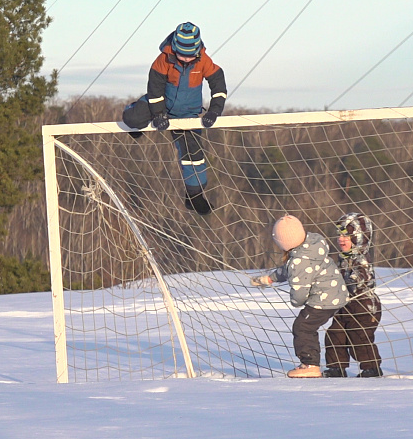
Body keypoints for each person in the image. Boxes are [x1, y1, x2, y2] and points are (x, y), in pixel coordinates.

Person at [121, 22, 227, 215]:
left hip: (188, 114)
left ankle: (194, 197)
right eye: (182, 54)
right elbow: (154, 90)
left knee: (193, 157)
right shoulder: (163, 60)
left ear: (197, 50)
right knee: (133, 119)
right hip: (160, 103)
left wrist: (214, 111)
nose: (186, 58)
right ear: (175, 48)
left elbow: (218, 84)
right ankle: (136, 125)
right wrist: (159, 114)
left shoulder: (204, 60)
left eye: (190, 54)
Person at [251, 215, 349, 378]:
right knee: (309, 326)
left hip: (323, 299)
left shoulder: (299, 261)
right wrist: (269, 279)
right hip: (337, 293)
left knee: (303, 327)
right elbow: (287, 269)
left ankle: (310, 365)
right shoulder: (311, 246)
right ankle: (315, 363)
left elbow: (299, 290)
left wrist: (297, 302)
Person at [324, 212, 383, 378]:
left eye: (347, 236)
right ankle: (336, 367)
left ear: (358, 237)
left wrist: (352, 281)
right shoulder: (343, 258)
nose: (341, 240)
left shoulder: (361, 257)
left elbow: (363, 275)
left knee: (359, 336)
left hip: (364, 306)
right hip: (344, 306)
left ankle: (371, 368)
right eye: (340, 236)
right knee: (335, 334)